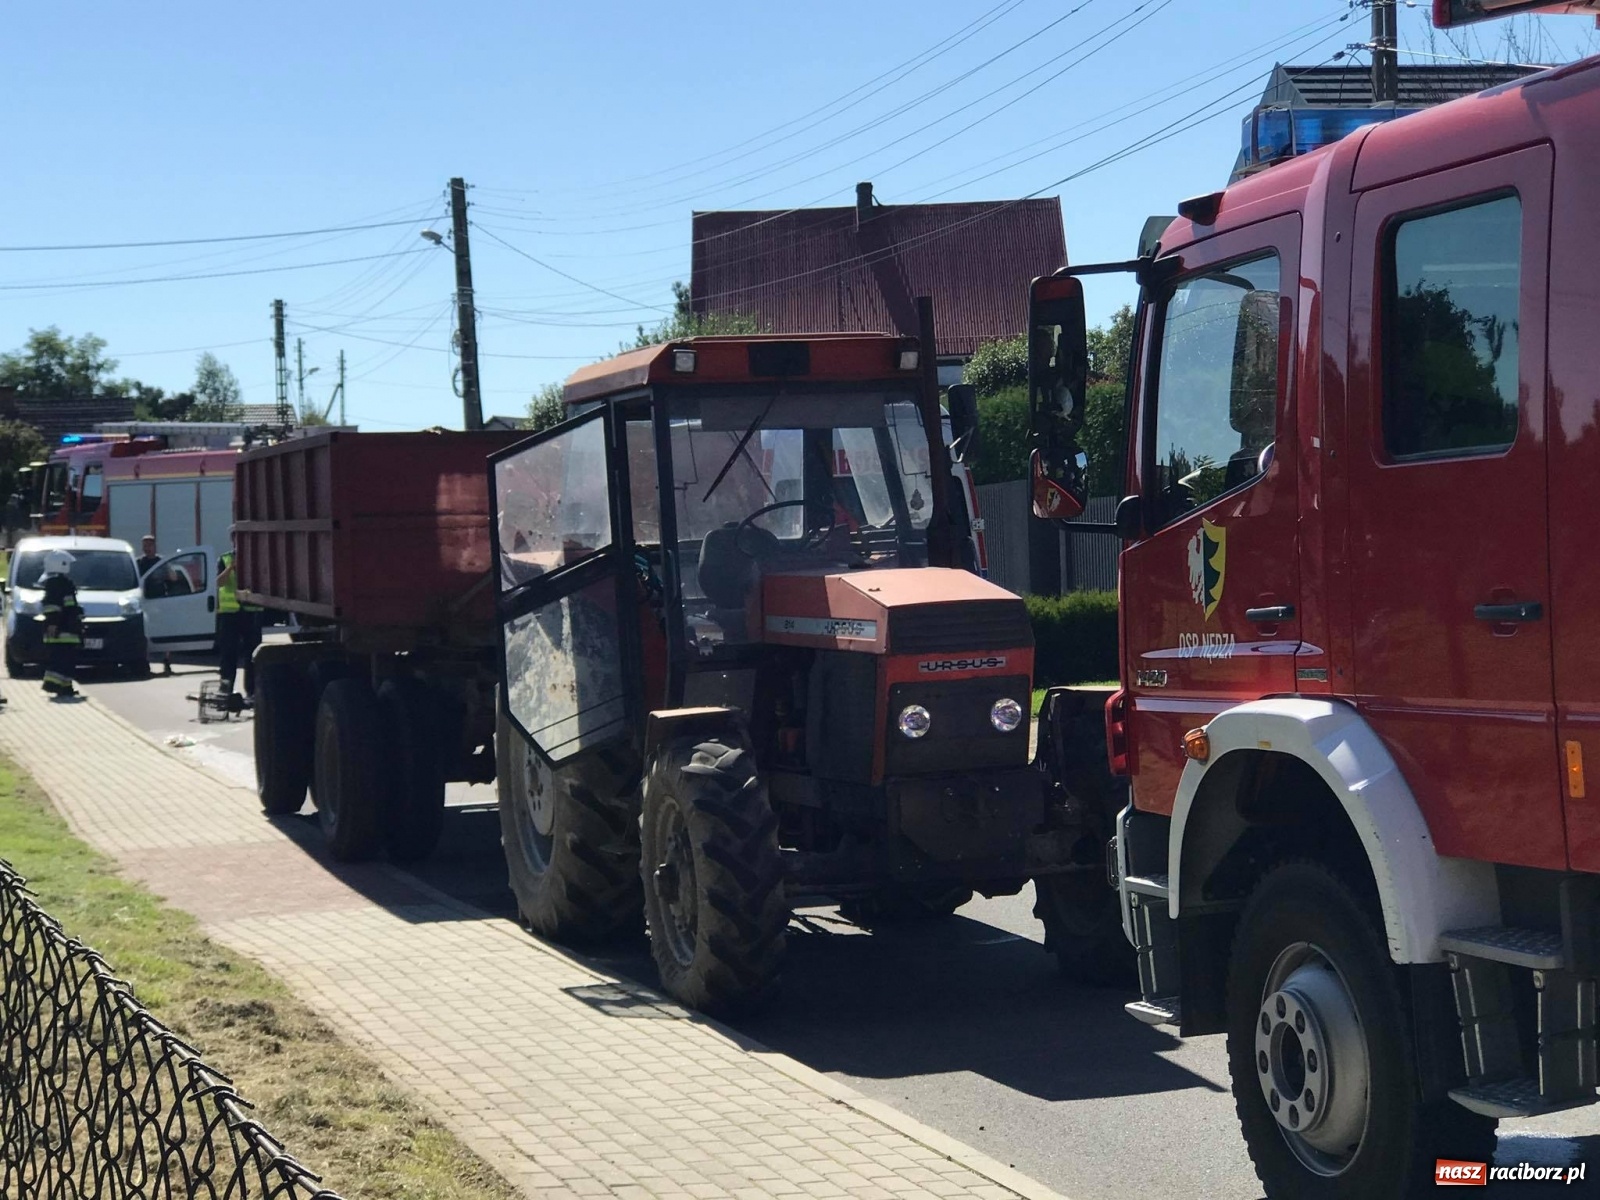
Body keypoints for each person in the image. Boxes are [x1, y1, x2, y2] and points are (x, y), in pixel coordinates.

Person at [214, 551, 262, 709]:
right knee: (228, 654)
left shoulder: (256, 555)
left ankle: (252, 693)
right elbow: (219, 582)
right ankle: (225, 691)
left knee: (252, 655)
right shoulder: (224, 558)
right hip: (229, 614)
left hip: (250, 612)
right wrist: (230, 568)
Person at [39, 550, 82, 698]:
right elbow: (52, 606)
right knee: (61, 660)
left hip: (66, 629)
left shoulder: (60, 583)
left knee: (67, 661)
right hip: (61, 630)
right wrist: (53, 623)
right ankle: (52, 685)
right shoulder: (56, 584)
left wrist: (77, 612)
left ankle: (66, 687)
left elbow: (68, 604)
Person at [135, 535, 173, 675]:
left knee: (164, 631)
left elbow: (173, 577)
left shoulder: (161, 562)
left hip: (161, 600)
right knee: (145, 633)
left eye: (149, 545)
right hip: (144, 601)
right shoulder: (139, 562)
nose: (147, 548)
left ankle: (167, 660)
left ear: (154, 546)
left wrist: (167, 572)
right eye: (144, 545)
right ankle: (145, 661)